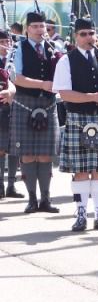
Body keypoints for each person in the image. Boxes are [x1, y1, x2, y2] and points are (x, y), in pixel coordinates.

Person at [52, 17, 98, 231]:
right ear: (76, 36)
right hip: (77, 118)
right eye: (83, 34)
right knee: (81, 169)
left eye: (91, 33)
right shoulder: (66, 60)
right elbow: (64, 93)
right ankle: (81, 212)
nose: (88, 37)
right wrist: (92, 97)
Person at [9, 12, 60, 213]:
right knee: (28, 154)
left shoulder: (53, 48)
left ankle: (45, 199)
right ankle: (32, 199)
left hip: (48, 105)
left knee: (46, 155)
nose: (41, 30)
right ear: (27, 28)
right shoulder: (18, 48)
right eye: (36, 26)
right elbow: (17, 78)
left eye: (44, 26)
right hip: (25, 104)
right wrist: (43, 84)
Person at [0, 30, 23, 199]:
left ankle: (11, 185)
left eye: (8, 41)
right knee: (1, 149)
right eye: (3, 42)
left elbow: (15, 82)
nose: (6, 45)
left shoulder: (13, 60)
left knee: (15, 148)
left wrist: (11, 93)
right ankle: (0, 185)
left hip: (14, 107)